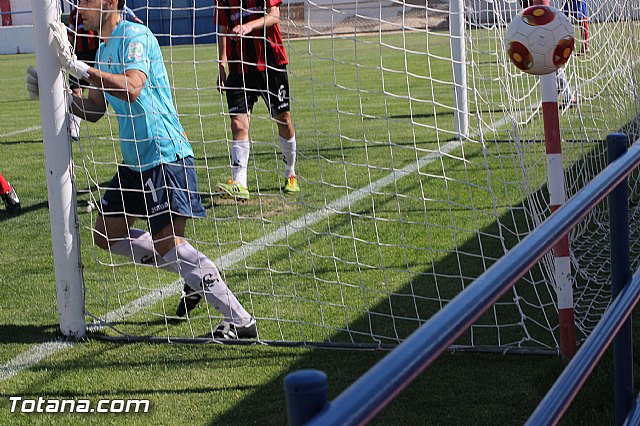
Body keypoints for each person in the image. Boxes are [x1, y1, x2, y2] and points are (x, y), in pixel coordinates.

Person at [30, 0, 256, 339]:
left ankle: (241, 321)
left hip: (164, 154)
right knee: (106, 234)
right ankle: (193, 274)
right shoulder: (104, 51)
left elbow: (133, 87)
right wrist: (56, 94)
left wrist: (81, 68)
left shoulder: (135, 35)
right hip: (135, 161)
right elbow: (94, 109)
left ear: (111, 2)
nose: (80, 8)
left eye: (88, 1)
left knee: (169, 245)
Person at [214, 0, 299, 200]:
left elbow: (274, 15)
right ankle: (240, 183)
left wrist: (249, 26)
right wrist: (221, 66)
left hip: (270, 64)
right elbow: (223, 29)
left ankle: (290, 174)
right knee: (238, 124)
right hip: (238, 68)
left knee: (283, 120)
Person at [67, 2, 100, 141]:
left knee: (99, 95)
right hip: (79, 56)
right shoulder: (74, 14)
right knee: (76, 90)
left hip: (95, 55)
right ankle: (74, 130)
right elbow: (71, 35)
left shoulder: (97, 12)